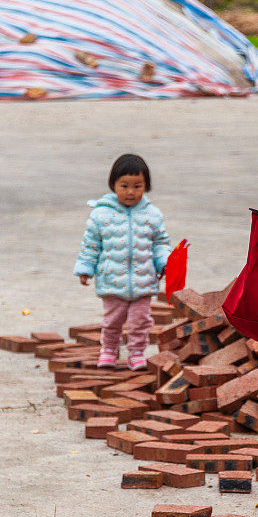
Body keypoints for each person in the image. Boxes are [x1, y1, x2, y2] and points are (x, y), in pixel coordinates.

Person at [74, 153, 171, 371]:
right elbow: (90, 245)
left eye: (137, 186)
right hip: (112, 281)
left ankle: (137, 353)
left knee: (140, 322)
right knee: (112, 321)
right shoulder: (100, 215)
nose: (130, 192)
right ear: (113, 185)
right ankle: (109, 350)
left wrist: (164, 261)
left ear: (146, 186)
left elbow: (161, 243)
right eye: (124, 185)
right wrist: (85, 269)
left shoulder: (153, 215)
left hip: (144, 281)